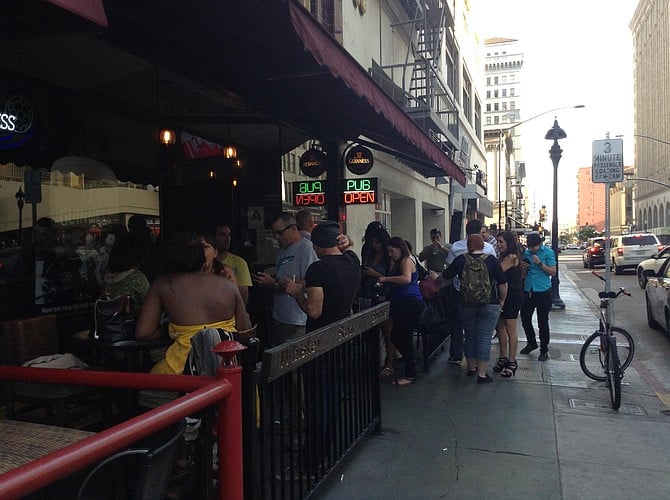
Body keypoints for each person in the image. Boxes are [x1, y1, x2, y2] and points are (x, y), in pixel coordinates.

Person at [135, 233, 251, 375]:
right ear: (201, 257)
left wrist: (169, 329)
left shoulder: (163, 284)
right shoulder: (228, 285)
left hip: (182, 368)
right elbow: (245, 332)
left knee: (149, 392)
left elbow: (143, 332)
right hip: (229, 367)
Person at [443, 234, 507, 383]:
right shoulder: (491, 260)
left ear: (468, 246)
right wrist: (502, 300)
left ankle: (471, 368)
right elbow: (502, 283)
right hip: (489, 303)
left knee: (470, 336)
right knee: (484, 337)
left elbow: (446, 275)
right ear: (483, 246)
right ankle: (482, 374)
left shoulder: (460, 259)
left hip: (465, 303)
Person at [252, 213, 318, 344]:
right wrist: (272, 279)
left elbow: (310, 282)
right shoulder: (283, 250)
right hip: (280, 315)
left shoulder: (306, 248)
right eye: (274, 233)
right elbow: (284, 277)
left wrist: (274, 283)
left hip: (297, 318)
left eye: (280, 232)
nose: (277, 237)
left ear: (293, 228)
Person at [285, 221, 360, 331]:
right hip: (345, 330)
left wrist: (297, 294)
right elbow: (330, 286)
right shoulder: (352, 259)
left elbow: (314, 311)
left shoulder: (317, 269)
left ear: (317, 245)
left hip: (322, 335)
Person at [444, 219, 497, 365]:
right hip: (484, 295)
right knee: (481, 332)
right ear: (480, 231)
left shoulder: (456, 248)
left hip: (460, 292)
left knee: (458, 325)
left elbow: (449, 268)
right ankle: (480, 366)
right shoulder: (488, 249)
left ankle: (457, 355)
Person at [379, 237, 424, 386]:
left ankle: (410, 371)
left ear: (399, 248)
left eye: (392, 251)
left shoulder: (406, 260)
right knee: (399, 336)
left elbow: (406, 279)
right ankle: (410, 366)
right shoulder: (405, 260)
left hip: (409, 302)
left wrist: (386, 279)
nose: (390, 254)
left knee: (401, 336)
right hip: (404, 302)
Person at [359, 227, 396, 377]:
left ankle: (389, 364)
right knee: (370, 333)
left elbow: (392, 278)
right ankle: (373, 362)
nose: (375, 245)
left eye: (378, 242)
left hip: (384, 296)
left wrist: (374, 274)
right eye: (373, 242)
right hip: (368, 295)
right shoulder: (369, 255)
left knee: (388, 333)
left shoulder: (389, 258)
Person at [519, 232, 556, 361]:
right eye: (530, 247)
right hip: (528, 289)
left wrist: (540, 264)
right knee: (525, 318)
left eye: (534, 247)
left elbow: (553, 272)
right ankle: (531, 342)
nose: (532, 249)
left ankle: (544, 349)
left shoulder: (548, 253)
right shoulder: (527, 253)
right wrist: (524, 267)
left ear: (539, 244)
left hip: (542, 289)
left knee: (542, 321)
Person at [492, 231, 523, 377]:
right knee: (500, 329)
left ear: (509, 243)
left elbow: (497, 271)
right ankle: (503, 357)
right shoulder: (503, 256)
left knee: (510, 329)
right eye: (497, 242)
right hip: (502, 295)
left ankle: (512, 361)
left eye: (501, 242)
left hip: (512, 296)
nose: (498, 244)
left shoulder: (511, 257)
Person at [102, 232, 151, 312]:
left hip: (107, 322)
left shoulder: (106, 275)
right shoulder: (137, 278)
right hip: (133, 323)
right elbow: (150, 305)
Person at [213, 222, 253, 305]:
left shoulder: (240, 263)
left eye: (229, 235)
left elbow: (243, 296)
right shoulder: (205, 262)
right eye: (222, 235)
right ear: (213, 238)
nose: (227, 239)